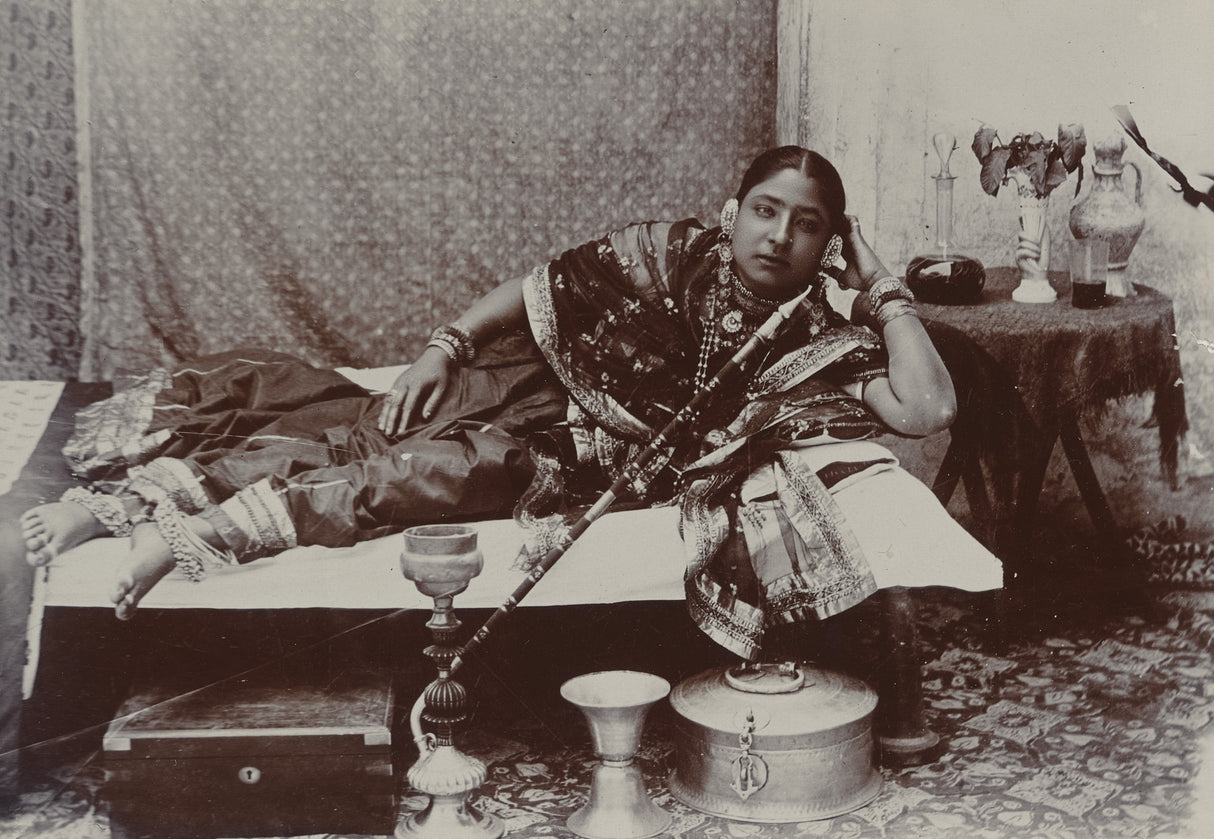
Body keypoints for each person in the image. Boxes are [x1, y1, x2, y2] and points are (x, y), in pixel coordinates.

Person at [20, 146, 1000, 657]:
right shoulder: (666, 253)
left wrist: (881, 286)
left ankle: (210, 534)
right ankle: (115, 507)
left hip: (581, 459)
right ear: (730, 212)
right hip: (527, 379)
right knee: (362, 425)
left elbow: (924, 407)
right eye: (764, 208)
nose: (777, 235)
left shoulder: (814, 337)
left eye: (808, 224)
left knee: (411, 479)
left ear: (827, 243)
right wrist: (444, 348)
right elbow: (539, 285)